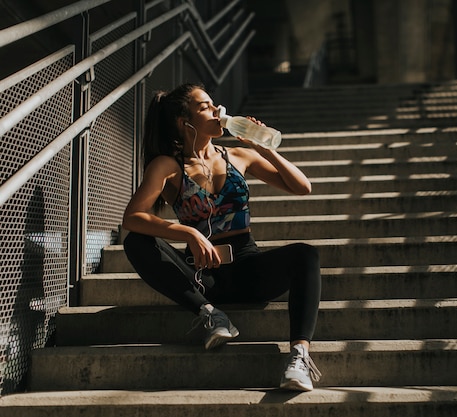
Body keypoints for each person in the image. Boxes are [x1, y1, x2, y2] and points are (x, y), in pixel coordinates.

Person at [122, 83, 322, 391]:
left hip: (248, 268)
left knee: (306, 254)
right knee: (135, 241)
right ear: (183, 122)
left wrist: (263, 147)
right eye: (205, 107)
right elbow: (133, 217)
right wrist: (187, 232)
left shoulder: (239, 156)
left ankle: (298, 358)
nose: (217, 111)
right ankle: (210, 314)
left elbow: (302, 187)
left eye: (215, 105)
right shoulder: (168, 166)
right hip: (203, 279)